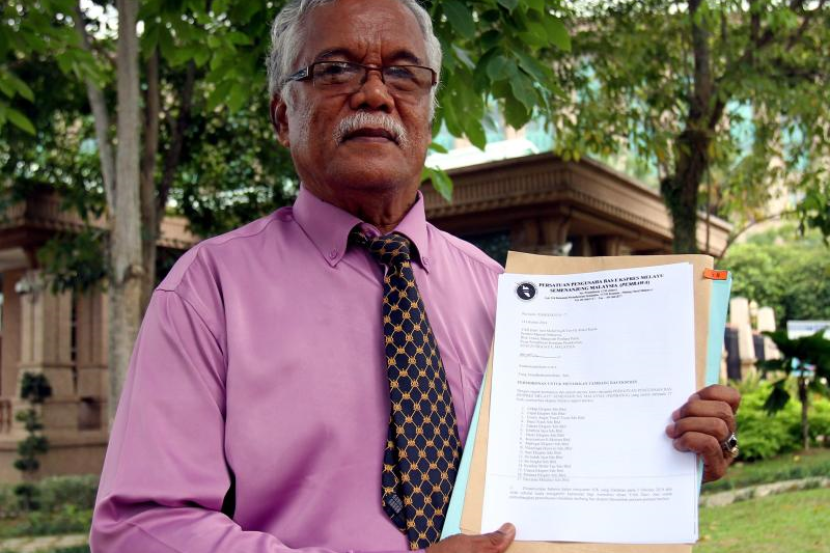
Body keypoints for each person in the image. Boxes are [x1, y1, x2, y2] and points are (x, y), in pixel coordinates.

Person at [88, 0, 741, 551]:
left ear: (428, 110)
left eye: (403, 73)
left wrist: (672, 453)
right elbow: (141, 528)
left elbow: (568, 476)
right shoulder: (209, 291)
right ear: (283, 116)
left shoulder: (505, 294)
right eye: (336, 68)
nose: (375, 94)